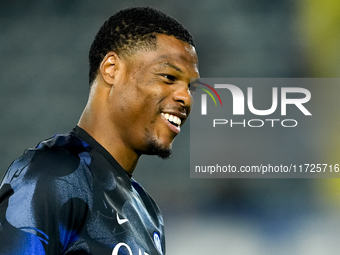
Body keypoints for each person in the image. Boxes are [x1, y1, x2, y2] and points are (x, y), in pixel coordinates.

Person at [0, 6, 199, 255]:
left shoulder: (148, 212)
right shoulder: (52, 175)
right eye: (169, 77)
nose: (186, 98)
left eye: (190, 87)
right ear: (111, 69)